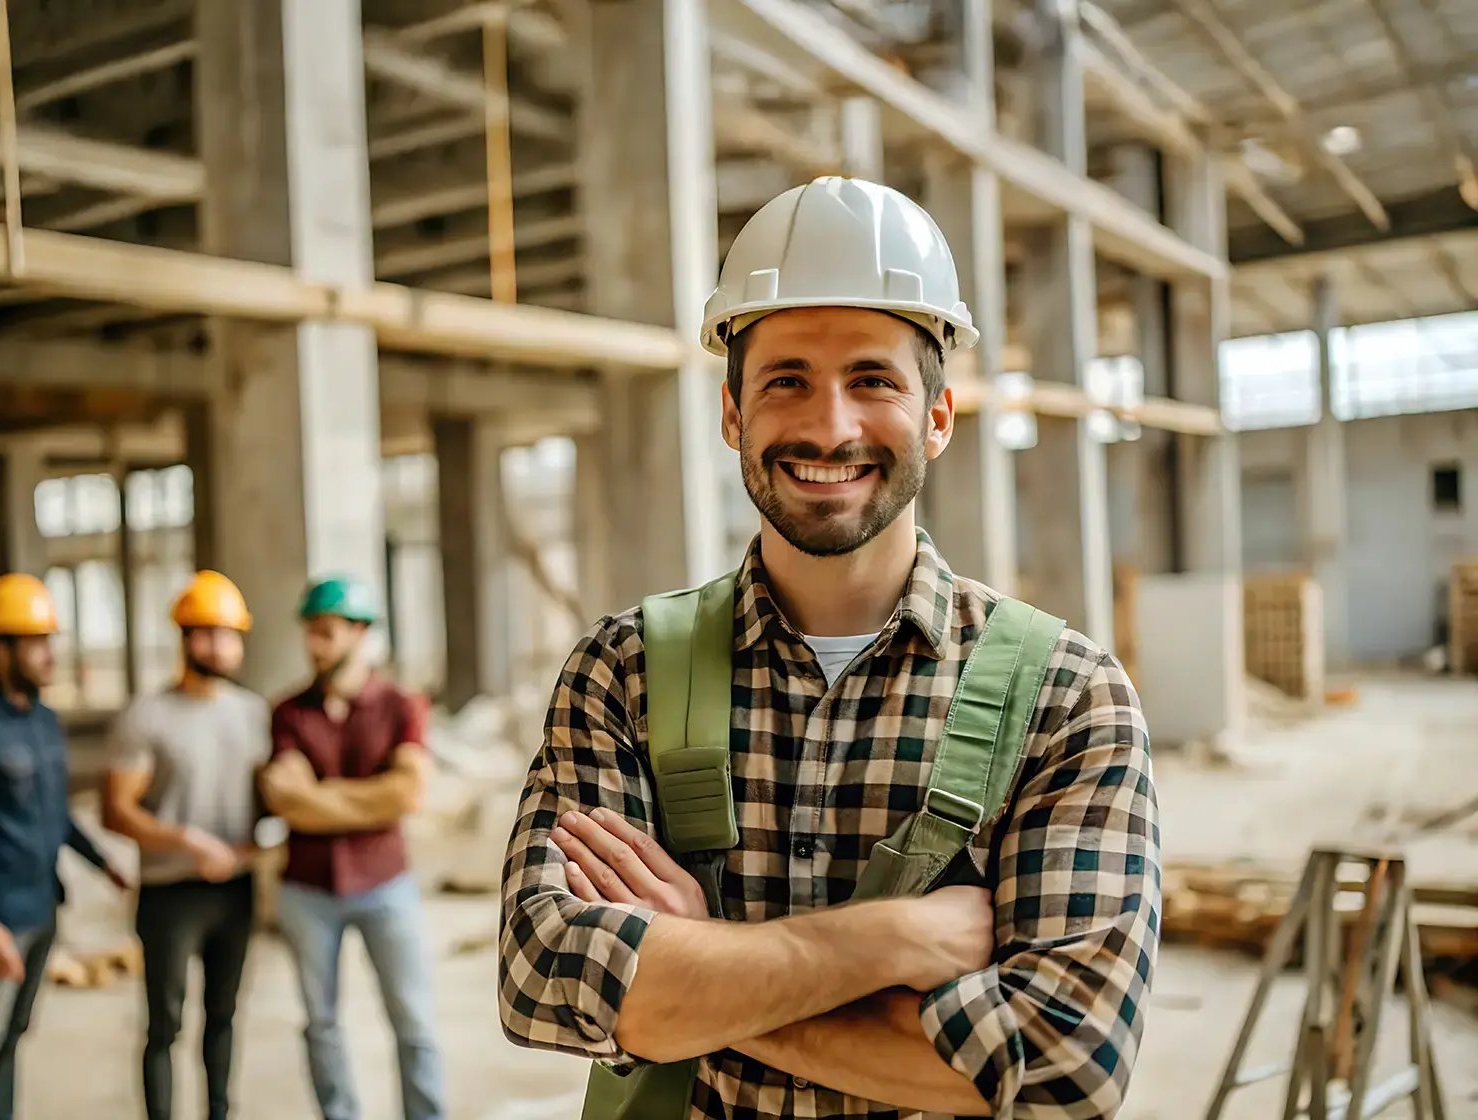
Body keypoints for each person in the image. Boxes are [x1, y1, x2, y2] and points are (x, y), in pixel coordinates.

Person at [497, 177, 1160, 1118]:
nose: (830, 426)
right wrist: (890, 942)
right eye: (787, 380)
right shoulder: (625, 672)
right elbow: (545, 980)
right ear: (734, 415)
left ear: (937, 416)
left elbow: (1062, 1067)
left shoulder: (1066, 696)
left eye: (873, 380)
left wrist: (696, 964)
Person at [0, 572, 127, 1120]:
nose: (48, 655)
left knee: (10, 1041)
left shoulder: (43, 722)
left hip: (42, 910)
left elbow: (54, 815)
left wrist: (103, 862)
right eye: (36, 643)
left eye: (49, 641)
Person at [257, 576, 445, 1120]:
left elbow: (408, 792)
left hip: (386, 885)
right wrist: (369, 798)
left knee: (414, 1022)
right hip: (307, 890)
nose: (314, 645)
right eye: (309, 633)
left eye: (326, 633)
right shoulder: (288, 713)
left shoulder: (401, 705)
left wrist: (318, 797)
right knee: (322, 1024)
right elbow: (286, 801)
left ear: (360, 633)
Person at [101, 570, 272, 1120]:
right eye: (207, 633)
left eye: (229, 634)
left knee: (223, 1016)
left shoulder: (253, 714)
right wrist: (187, 841)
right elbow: (115, 810)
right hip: (169, 892)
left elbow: (270, 799)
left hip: (235, 891)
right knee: (164, 1025)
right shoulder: (146, 716)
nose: (219, 645)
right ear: (184, 637)